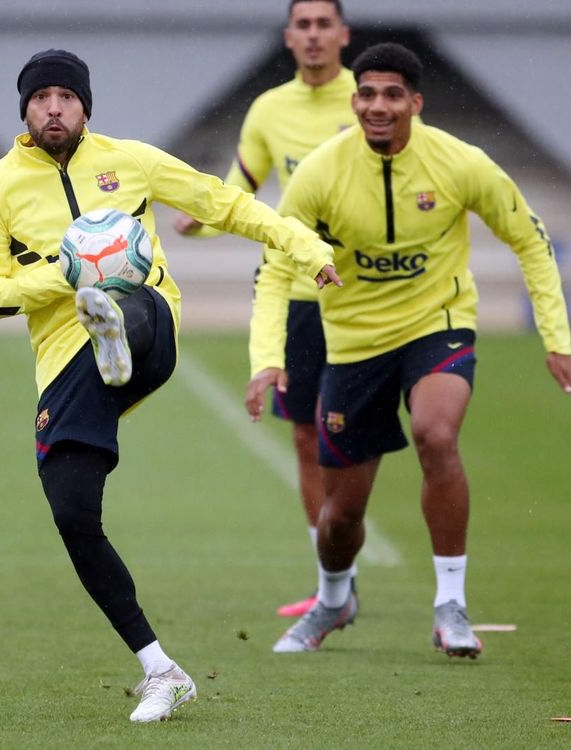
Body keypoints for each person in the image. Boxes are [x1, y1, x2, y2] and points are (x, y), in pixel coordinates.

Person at [0, 49, 339, 722]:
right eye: (41, 96)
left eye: (66, 97)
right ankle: (161, 670)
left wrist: (304, 247)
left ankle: (115, 323)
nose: (54, 107)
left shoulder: (131, 159)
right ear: (24, 109)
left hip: (150, 326)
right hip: (68, 361)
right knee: (73, 513)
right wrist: (68, 274)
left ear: (85, 106)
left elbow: (222, 203)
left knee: (127, 294)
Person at [246, 42, 571, 658]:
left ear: (415, 102)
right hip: (350, 345)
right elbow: (274, 266)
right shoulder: (321, 172)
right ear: (354, 101)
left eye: (392, 95)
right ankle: (333, 599)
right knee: (342, 517)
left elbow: (530, 240)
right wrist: (266, 358)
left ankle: (450, 604)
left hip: (439, 324)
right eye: (368, 94)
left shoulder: (460, 163)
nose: (378, 106)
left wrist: (555, 341)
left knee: (436, 434)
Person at [175, 0, 358, 619]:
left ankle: (352, 551)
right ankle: (334, 578)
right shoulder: (269, 110)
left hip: (369, 298)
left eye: (322, 24)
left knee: (359, 442)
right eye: (302, 25)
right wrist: (197, 221)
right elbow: (240, 189)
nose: (312, 35)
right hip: (301, 296)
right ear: (288, 37)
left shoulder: (372, 99)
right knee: (307, 436)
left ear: (342, 34)